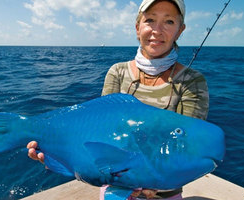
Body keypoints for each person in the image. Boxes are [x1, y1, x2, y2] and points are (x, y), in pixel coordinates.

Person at [27, 0, 209, 199]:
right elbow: (99, 133)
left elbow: (189, 148)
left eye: (169, 22)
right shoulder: (118, 72)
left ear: (180, 30)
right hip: (114, 184)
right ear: (138, 27)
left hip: (166, 193)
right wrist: (57, 154)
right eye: (150, 20)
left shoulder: (193, 81)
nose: (157, 30)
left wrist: (151, 183)